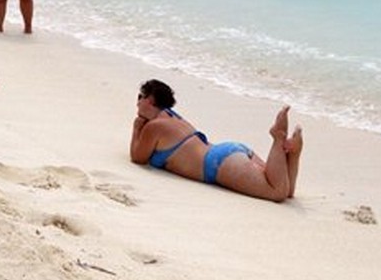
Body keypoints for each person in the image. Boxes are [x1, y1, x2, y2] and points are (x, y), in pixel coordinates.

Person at [130, 79, 303, 202]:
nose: (137, 103)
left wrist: (137, 128)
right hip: (226, 153)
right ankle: (293, 154)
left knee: (276, 192)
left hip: (216, 164)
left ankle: (278, 137)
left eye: (140, 97)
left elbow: (138, 157)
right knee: (285, 189)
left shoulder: (154, 127)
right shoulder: (174, 118)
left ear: (150, 100)